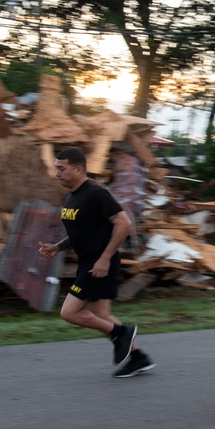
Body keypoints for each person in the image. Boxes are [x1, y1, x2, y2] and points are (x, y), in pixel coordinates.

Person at [38, 147, 156, 378]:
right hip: (90, 262)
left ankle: (121, 333)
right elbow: (82, 232)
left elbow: (124, 224)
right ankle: (138, 357)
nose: (57, 173)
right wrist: (58, 247)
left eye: (61, 169)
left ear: (78, 168)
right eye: (56, 169)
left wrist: (104, 258)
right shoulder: (72, 196)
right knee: (100, 314)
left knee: (69, 313)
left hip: (99, 263)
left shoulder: (95, 194)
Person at [108, 142, 146, 226]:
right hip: (131, 210)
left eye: (116, 154)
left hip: (124, 210)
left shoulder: (128, 163)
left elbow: (125, 190)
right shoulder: (135, 162)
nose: (112, 156)